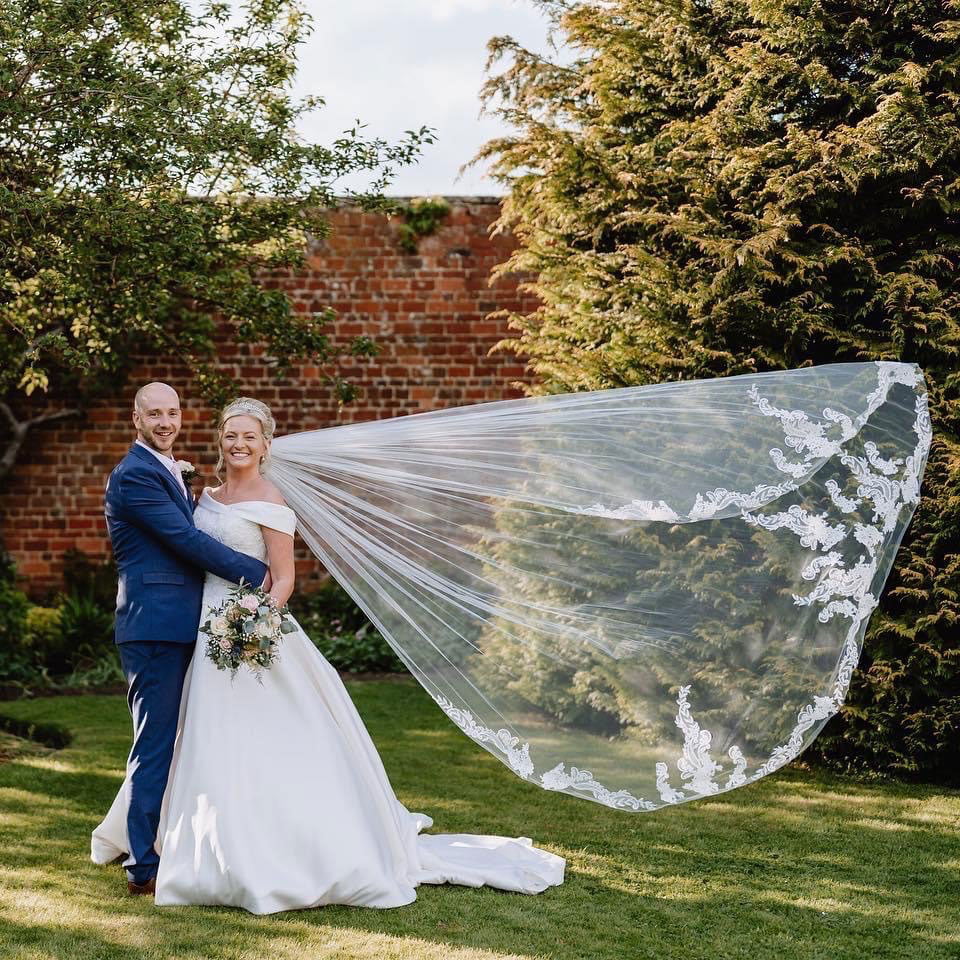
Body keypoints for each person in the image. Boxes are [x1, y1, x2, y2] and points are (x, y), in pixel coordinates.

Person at [92, 396, 566, 913]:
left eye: (250, 436)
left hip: (242, 629)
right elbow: (184, 538)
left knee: (243, 739)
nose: (238, 444)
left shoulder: (268, 499)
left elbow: (285, 575)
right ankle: (163, 853)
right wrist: (254, 582)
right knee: (188, 739)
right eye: (231, 435)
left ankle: (232, 850)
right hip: (196, 625)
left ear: (266, 444)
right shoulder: (184, 487)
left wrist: (257, 613)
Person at [99, 383, 270, 896]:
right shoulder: (135, 476)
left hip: (180, 623)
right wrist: (255, 573)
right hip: (154, 625)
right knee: (154, 745)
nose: (166, 421)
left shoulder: (165, 467)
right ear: (136, 418)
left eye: (172, 412)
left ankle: (166, 843)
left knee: (179, 742)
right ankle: (144, 866)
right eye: (155, 413)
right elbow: (185, 540)